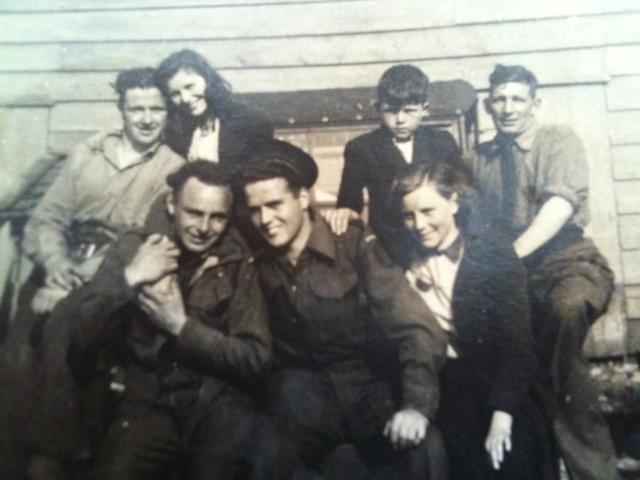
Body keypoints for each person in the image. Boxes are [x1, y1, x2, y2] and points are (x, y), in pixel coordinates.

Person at [0, 67, 185, 480]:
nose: (146, 118)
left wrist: (75, 282)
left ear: (168, 114)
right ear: (121, 110)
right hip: (58, 264)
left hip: (114, 275)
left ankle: (49, 459)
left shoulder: (172, 170)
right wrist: (57, 268)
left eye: (156, 108)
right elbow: (46, 220)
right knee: (16, 355)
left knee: (63, 335)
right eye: (136, 108)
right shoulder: (88, 153)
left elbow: (141, 242)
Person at [236, 139, 448, 479]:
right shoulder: (255, 259)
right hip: (301, 394)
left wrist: (416, 407)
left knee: (423, 448)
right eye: (255, 209)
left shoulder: (351, 242)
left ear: (303, 198)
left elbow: (415, 326)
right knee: (261, 455)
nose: (265, 219)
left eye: (275, 204)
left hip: (368, 385)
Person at [68, 161, 286, 480]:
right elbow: (82, 335)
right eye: (194, 213)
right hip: (148, 402)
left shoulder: (238, 260)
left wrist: (180, 326)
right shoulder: (133, 247)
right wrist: (132, 277)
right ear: (172, 205)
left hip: (215, 403)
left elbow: (255, 359)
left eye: (217, 217)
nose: (203, 227)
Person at [472, 64, 620, 480]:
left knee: (565, 309)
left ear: (534, 104)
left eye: (518, 99)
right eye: (499, 99)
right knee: (557, 368)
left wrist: (510, 256)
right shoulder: (480, 158)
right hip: (514, 277)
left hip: (567, 261)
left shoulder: (558, 142)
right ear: (488, 104)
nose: (508, 108)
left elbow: (559, 207)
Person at [391, 160, 557, 480]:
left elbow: (517, 345)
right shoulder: (399, 258)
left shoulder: (490, 253)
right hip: (445, 383)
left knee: (510, 455)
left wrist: (502, 414)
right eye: (408, 216)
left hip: (501, 380)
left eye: (428, 211)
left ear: (454, 203)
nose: (419, 224)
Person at [327, 64, 458, 257]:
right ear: (379, 109)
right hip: (389, 250)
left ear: (424, 109)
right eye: (391, 111)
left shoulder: (442, 142)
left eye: (409, 111)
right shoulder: (362, 148)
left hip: (437, 242)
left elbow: (463, 194)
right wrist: (345, 213)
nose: (400, 120)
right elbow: (348, 203)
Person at [155, 48, 273, 175]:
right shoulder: (177, 131)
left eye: (189, 86)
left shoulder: (249, 121)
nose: (185, 98)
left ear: (208, 80)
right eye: (175, 93)